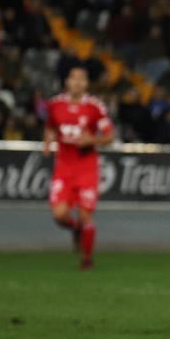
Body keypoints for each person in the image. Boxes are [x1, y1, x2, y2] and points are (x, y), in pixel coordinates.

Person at [44, 64, 115, 269]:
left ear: (86, 83)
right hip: (64, 167)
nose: (77, 82)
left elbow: (110, 136)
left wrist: (93, 139)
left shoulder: (95, 107)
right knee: (59, 215)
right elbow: (49, 125)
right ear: (67, 81)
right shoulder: (55, 104)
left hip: (86, 168)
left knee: (86, 216)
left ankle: (87, 259)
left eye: (81, 79)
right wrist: (47, 143)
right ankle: (76, 230)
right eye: (73, 78)